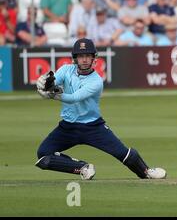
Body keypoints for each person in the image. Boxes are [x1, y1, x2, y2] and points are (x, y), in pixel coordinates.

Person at [35, 38, 165, 180]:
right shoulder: (66, 70)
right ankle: (82, 168)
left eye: (88, 56)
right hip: (67, 127)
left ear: (93, 58)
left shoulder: (96, 81)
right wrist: (43, 83)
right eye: (81, 56)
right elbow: (53, 82)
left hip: (93, 127)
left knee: (123, 153)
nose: (84, 60)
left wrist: (52, 95)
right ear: (75, 58)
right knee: (43, 154)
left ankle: (146, 172)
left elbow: (73, 98)